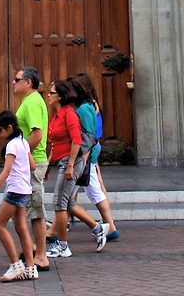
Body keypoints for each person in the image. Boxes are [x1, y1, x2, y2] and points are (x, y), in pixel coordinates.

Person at [0, 110, 38, 281]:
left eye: (0, 130)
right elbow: (33, 166)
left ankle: (16, 265)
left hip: (15, 190)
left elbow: (6, 171)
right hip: (25, 189)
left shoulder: (12, 145)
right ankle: (30, 267)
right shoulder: (22, 142)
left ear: (9, 127)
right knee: (21, 226)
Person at [68, 72, 117, 243]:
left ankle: (105, 226)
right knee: (92, 189)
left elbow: (87, 135)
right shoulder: (90, 105)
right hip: (89, 152)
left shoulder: (85, 107)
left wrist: (81, 159)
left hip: (86, 153)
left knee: (69, 193)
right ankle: (110, 226)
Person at [13, 65, 50, 271]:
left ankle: (42, 256)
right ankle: (34, 248)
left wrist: (21, 154)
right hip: (30, 161)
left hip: (32, 162)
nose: (13, 83)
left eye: (17, 79)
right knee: (27, 208)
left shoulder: (33, 102)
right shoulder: (29, 101)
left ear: (28, 82)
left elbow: (36, 134)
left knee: (35, 209)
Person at [44, 80, 81, 260]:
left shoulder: (69, 114)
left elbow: (76, 140)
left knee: (60, 202)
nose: (48, 96)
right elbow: (55, 144)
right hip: (61, 161)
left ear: (60, 96)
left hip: (69, 161)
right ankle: (62, 243)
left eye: (51, 93)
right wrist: (49, 165)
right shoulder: (57, 115)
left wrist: (71, 165)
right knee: (61, 202)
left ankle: (63, 246)